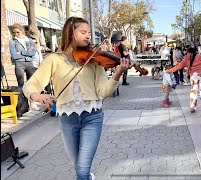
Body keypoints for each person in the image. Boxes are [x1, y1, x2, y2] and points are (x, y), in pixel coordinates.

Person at [22, 17, 131, 180]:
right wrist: (38, 96)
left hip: (92, 117)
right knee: (79, 168)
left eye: (89, 33)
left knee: (81, 170)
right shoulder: (54, 59)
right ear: (70, 33)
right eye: (83, 32)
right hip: (68, 119)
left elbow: (103, 92)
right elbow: (30, 85)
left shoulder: (93, 60)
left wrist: (118, 72)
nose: (88, 36)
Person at [166, 47, 201, 115]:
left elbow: (178, 67)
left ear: (188, 52)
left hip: (194, 75)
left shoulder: (186, 58)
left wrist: (168, 71)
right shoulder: (200, 56)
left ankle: (192, 107)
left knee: (194, 91)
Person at [9, 23, 36, 87]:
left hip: (29, 62)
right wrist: (27, 53)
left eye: (18, 32)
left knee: (31, 83)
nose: (16, 34)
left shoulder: (29, 40)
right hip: (19, 63)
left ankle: (30, 97)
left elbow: (33, 53)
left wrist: (21, 52)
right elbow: (14, 56)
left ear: (22, 31)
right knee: (20, 84)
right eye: (14, 32)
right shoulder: (12, 41)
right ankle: (21, 97)